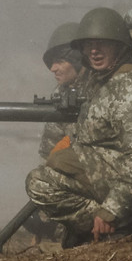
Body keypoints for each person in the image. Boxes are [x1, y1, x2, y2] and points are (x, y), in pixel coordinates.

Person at [25, 7, 132, 247]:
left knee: (42, 183)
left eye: (102, 44)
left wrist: (110, 211)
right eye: (88, 45)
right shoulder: (106, 82)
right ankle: (105, 228)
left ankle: (121, 227)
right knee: (41, 179)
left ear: (119, 45)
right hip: (116, 179)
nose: (94, 51)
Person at [36, 22, 84, 159]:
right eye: (52, 62)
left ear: (78, 60)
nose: (53, 69)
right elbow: (49, 152)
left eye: (60, 61)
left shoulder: (101, 91)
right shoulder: (62, 93)